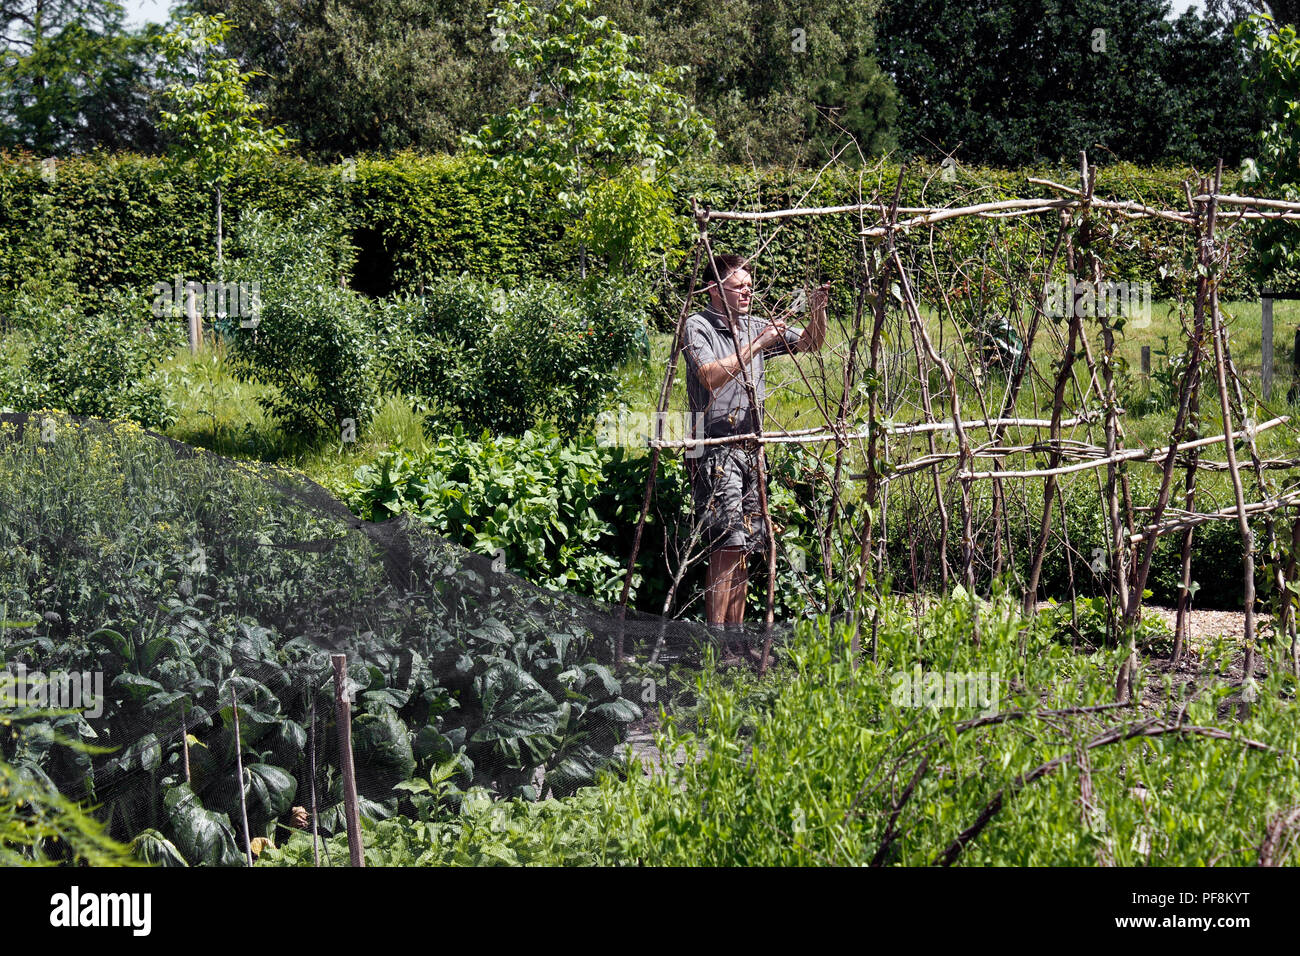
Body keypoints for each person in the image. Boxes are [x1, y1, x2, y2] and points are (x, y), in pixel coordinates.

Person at [682, 253, 828, 658]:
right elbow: (710, 376)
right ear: (714, 290)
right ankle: (718, 644)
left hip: (750, 448)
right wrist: (758, 344)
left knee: (746, 545)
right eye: (738, 286)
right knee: (725, 545)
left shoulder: (753, 325)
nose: (747, 291)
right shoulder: (697, 326)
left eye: (749, 285)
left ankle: (737, 637)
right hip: (713, 446)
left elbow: (812, 344)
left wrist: (817, 309)